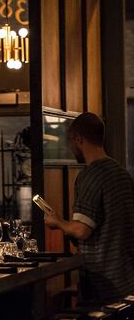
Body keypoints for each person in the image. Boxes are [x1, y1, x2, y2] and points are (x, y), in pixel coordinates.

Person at [44, 112, 134, 303]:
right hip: (127, 276)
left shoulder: (91, 176)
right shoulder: (121, 173)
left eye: (70, 141)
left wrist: (57, 221)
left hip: (103, 280)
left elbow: (82, 230)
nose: (70, 147)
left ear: (79, 139)